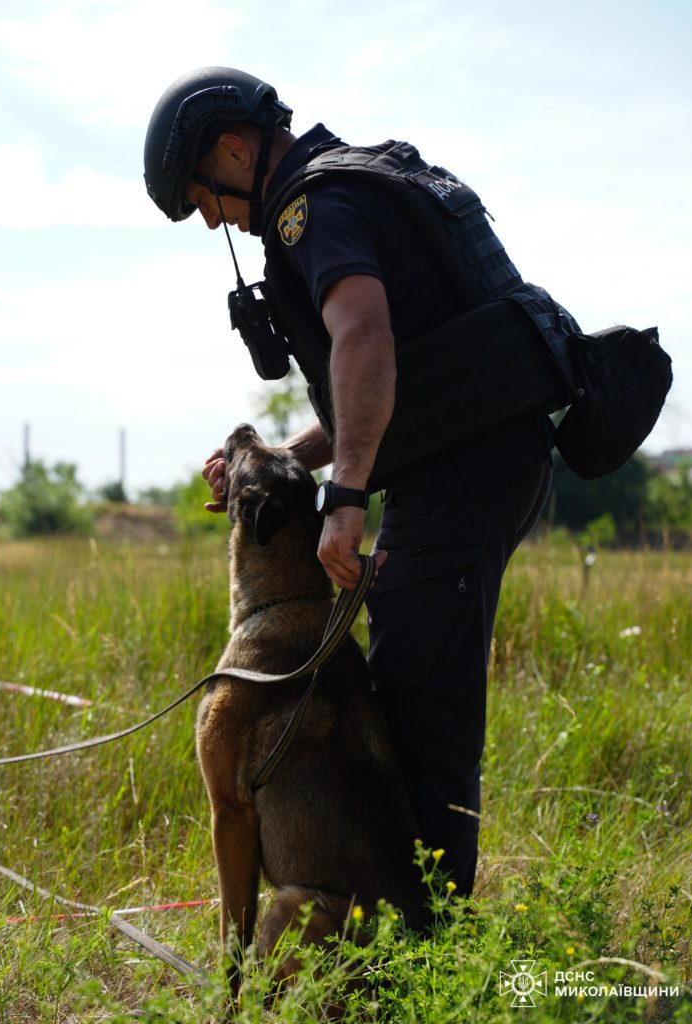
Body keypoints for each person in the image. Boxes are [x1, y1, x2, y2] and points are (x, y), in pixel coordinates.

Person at [144, 67, 573, 897]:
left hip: (459, 473)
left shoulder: (313, 210)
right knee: (408, 695)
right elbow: (388, 384)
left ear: (234, 150)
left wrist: (344, 499)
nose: (210, 219)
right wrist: (284, 462)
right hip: (477, 455)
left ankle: (421, 960)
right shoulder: (354, 180)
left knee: (418, 718)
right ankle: (401, 943)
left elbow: (364, 340)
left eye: (202, 197)